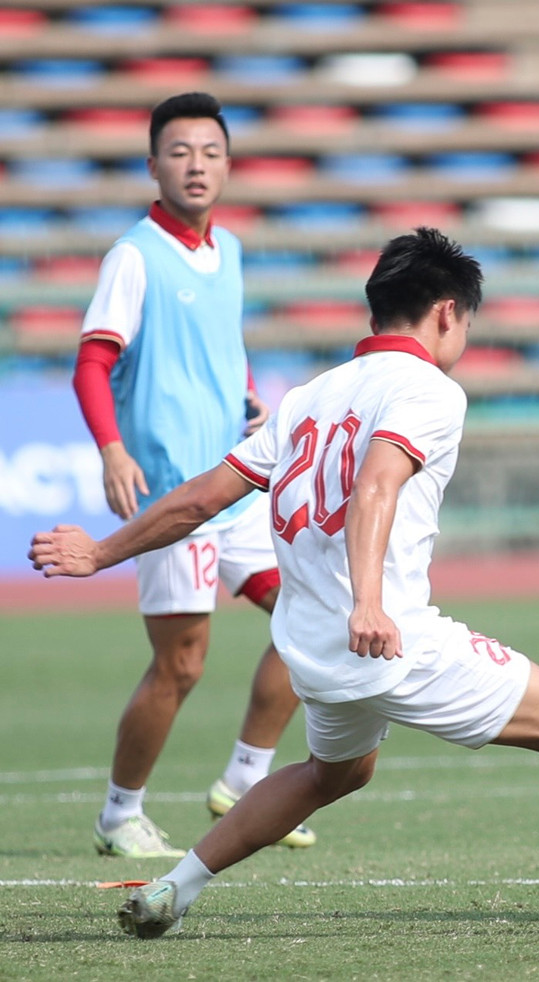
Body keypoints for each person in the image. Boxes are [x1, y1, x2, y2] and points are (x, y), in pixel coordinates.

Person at [31, 228, 539, 938]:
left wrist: (101, 552)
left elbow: (201, 498)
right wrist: (368, 601)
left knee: (334, 772)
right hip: (386, 635)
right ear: (447, 312)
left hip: (309, 647)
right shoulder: (427, 391)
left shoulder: (308, 396)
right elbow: (377, 487)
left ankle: (175, 887)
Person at [72, 91, 313, 858]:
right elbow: (92, 362)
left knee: (313, 619)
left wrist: (245, 397)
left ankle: (247, 776)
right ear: (152, 165)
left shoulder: (230, 251)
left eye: (210, 152)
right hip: (175, 496)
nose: (196, 165)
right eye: (179, 152)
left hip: (235, 488)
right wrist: (113, 449)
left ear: (229, 164)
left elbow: (222, 343)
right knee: (181, 664)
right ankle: (119, 814)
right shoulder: (133, 256)